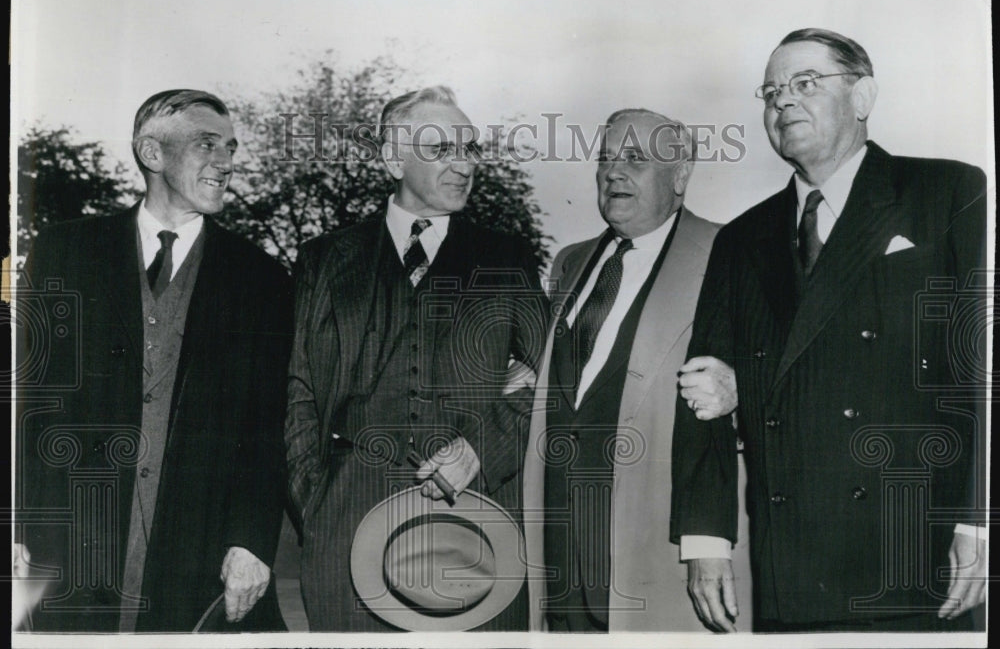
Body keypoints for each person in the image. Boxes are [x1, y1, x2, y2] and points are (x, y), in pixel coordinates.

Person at [671, 28, 988, 632]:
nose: (782, 102)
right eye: (771, 92)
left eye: (805, 84)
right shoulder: (741, 239)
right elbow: (702, 389)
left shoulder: (951, 192)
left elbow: (982, 366)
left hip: (917, 545)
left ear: (863, 97)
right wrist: (706, 539)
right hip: (790, 557)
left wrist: (979, 517)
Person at [15, 89, 292, 632]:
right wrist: (17, 521)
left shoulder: (261, 277)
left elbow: (266, 427)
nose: (226, 162)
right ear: (152, 153)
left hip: (195, 550)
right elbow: (28, 398)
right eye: (207, 145)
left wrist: (252, 542)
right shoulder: (65, 251)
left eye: (231, 148)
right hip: (74, 545)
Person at [285, 85, 545, 631]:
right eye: (440, 149)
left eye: (469, 149)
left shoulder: (506, 257)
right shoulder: (326, 259)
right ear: (391, 158)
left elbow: (555, 377)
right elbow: (296, 388)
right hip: (344, 533)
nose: (463, 165)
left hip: (476, 526)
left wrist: (482, 449)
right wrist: (317, 501)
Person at [521, 109, 752, 632]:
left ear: (681, 176)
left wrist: (744, 388)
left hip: (652, 540)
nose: (612, 172)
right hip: (558, 542)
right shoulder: (571, 263)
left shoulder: (732, 253)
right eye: (605, 158)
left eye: (634, 159)